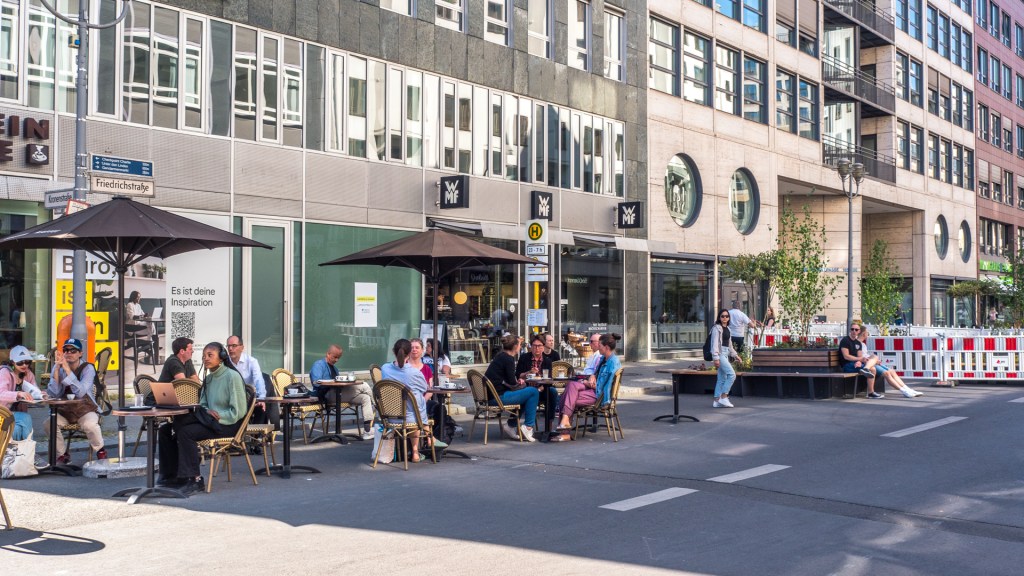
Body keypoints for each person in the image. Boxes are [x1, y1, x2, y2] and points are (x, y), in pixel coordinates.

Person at [157, 342, 247, 494]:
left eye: (210, 355)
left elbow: (238, 411)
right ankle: (172, 475)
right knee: (167, 429)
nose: (205, 359)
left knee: (186, 432)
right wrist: (207, 412)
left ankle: (195, 479)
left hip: (228, 424)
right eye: (204, 356)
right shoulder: (209, 378)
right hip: (210, 421)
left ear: (222, 358)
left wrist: (218, 416)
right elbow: (203, 404)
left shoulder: (232, 377)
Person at [380, 339, 441, 462]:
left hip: (389, 417)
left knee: (414, 398)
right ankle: (416, 451)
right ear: (408, 354)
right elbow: (425, 388)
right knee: (416, 399)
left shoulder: (385, 368)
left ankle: (425, 443)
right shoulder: (414, 373)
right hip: (411, 418)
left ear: (394, 351)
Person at [47, 338, 106, 463]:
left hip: (85, 409)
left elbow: (80, 392)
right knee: (49, 424)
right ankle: (62, 454)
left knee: (90, 425)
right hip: (66, 410)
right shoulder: (58, 367)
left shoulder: (88, 368)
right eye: (66, 350)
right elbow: (54, 394)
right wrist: (57, 370)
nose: (69, 353)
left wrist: (68, 371)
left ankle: (101, 451)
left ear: (80, 353)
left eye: (73, 350)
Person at [555, 333, 622, 430]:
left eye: (600, 346)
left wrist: (587, 383)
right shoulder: (604, 359)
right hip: (593, 391)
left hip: (599, 396)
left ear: (606, 347)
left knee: (566, 397)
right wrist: (593, 376)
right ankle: (564, 424)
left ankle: (564, 430)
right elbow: (597, 374)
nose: (598, 348)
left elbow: (605, 387)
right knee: (571, 385)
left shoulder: (613, 363)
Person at [308, 344, 374, 440]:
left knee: (365, 397)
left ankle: (367, 430)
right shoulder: (319, 365)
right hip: (327, 395)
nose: (336, 360)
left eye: (338, 358)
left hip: (339, 394)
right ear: (328, 354)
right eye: (335, 357)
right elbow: (316, 382)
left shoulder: (335, 369)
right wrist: (331, 382)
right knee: (364, 386)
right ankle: (377, 405)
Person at [483, 334, 539, 442]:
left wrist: (518, 383)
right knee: (533, 392)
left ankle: (511, 425)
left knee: (526, 395)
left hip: (490, 396)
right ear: (515, 346)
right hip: (498, 398)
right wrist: (521, 383)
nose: (520, 347)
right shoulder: (508, 359)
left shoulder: (500, 356)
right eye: (520, 344)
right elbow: (512, 383)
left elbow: (508, 381)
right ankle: (528, 427)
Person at [226, 335, 277, 427]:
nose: (230, 349)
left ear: (242, 347)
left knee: (261, 405)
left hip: (250, 397)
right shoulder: (225, 363)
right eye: (228, 346)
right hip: (233, 398)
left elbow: (259, 380)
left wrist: (261, 398)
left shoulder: (252, 361)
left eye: (234, 346)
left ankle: (256, 435)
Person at [858, 328, 923, 398]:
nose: (868, 334)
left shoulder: (863, 344)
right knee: (887, 373)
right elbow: (861, 357)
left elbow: (865, 355)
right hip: (867, 363)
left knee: (892, 371)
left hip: (872, 362)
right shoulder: (858, 344)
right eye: (867, 332)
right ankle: (904, 391)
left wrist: (875, 360)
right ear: (864, 333)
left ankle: (908, 389)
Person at [0, 345, 45, 441]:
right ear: (12, 362)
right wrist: (18, 394)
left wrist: (41, 394)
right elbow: (1, 393)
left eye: (27, 362)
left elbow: (34, 390)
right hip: (2, 413)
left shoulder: (28, 373)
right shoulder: (5, 372)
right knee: (24, 419)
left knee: (17, 429)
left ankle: (23, 453)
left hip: (16, 414)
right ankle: (28, 451)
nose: (24, 365)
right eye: (20, 362)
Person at [515, 334, 559, 431]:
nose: (537, 348)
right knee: (526, 393)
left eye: (539, 346)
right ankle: (517, 424)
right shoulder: (524, 358)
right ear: (531, 346)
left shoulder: (547, 361)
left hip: (541, 390)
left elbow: (549, 380)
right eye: (534, 346)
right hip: (526, 388)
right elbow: (518, 375)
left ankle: (549, 423)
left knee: (552, 392)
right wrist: (529, 372)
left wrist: (540, 389)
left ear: (543, 347)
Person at [840, 323, 883, 399]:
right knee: (872, 368)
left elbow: (860, 356)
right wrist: (858, 360)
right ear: (850, 330)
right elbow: (846, 356)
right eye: (852, 329)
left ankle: (871, 393)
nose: (854, 331)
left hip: (855, 364)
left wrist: (859, 361)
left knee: (873, 367)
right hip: (847, 365)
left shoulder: (858, 343)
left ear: (859, 331)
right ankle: (870, 392)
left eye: (856, 330)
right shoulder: (845, 340)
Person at [711, 309, 740, 408]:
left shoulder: (728, 329)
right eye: (722, 316)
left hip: (726, 353)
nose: (725, 318)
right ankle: (724, 396)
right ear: (719, 317)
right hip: (719, 353)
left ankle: (716, 400)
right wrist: (716, 358)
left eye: (727, 316)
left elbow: (730, 345)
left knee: (721, 378)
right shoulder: (717, 328)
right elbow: (714, 344)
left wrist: (735, 355)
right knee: (732, 375)